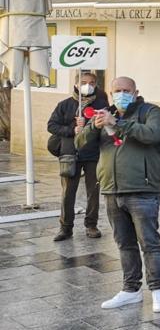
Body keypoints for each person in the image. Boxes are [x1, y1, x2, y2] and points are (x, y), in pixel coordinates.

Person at [75, 77, 160, 313]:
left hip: (142, 189)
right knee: (124, 244)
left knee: (149, 243)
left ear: (136, 92)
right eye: (117, 91)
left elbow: (152, 134)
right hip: (111, 189)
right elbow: (80, 143)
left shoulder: (150, 111)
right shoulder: (103, 114)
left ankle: (158, 291)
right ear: (110, 92)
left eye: (126, 90)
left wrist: (117, 123)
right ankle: (131, 290)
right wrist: (92, 127)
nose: (122, 94)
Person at [48, 71, 108, 241]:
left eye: (91, 82)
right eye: (83, 82)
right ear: (76, 84)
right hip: (70, 154)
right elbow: (52, 125)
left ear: (96, 85)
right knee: (68, 192)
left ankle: (91, 224)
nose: (87, 85)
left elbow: (107, 127)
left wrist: (91, 126)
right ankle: (65, 227)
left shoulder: (101, 104)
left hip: (93, 154)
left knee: (93, 191)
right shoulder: (64, 105)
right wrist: (72, 129)